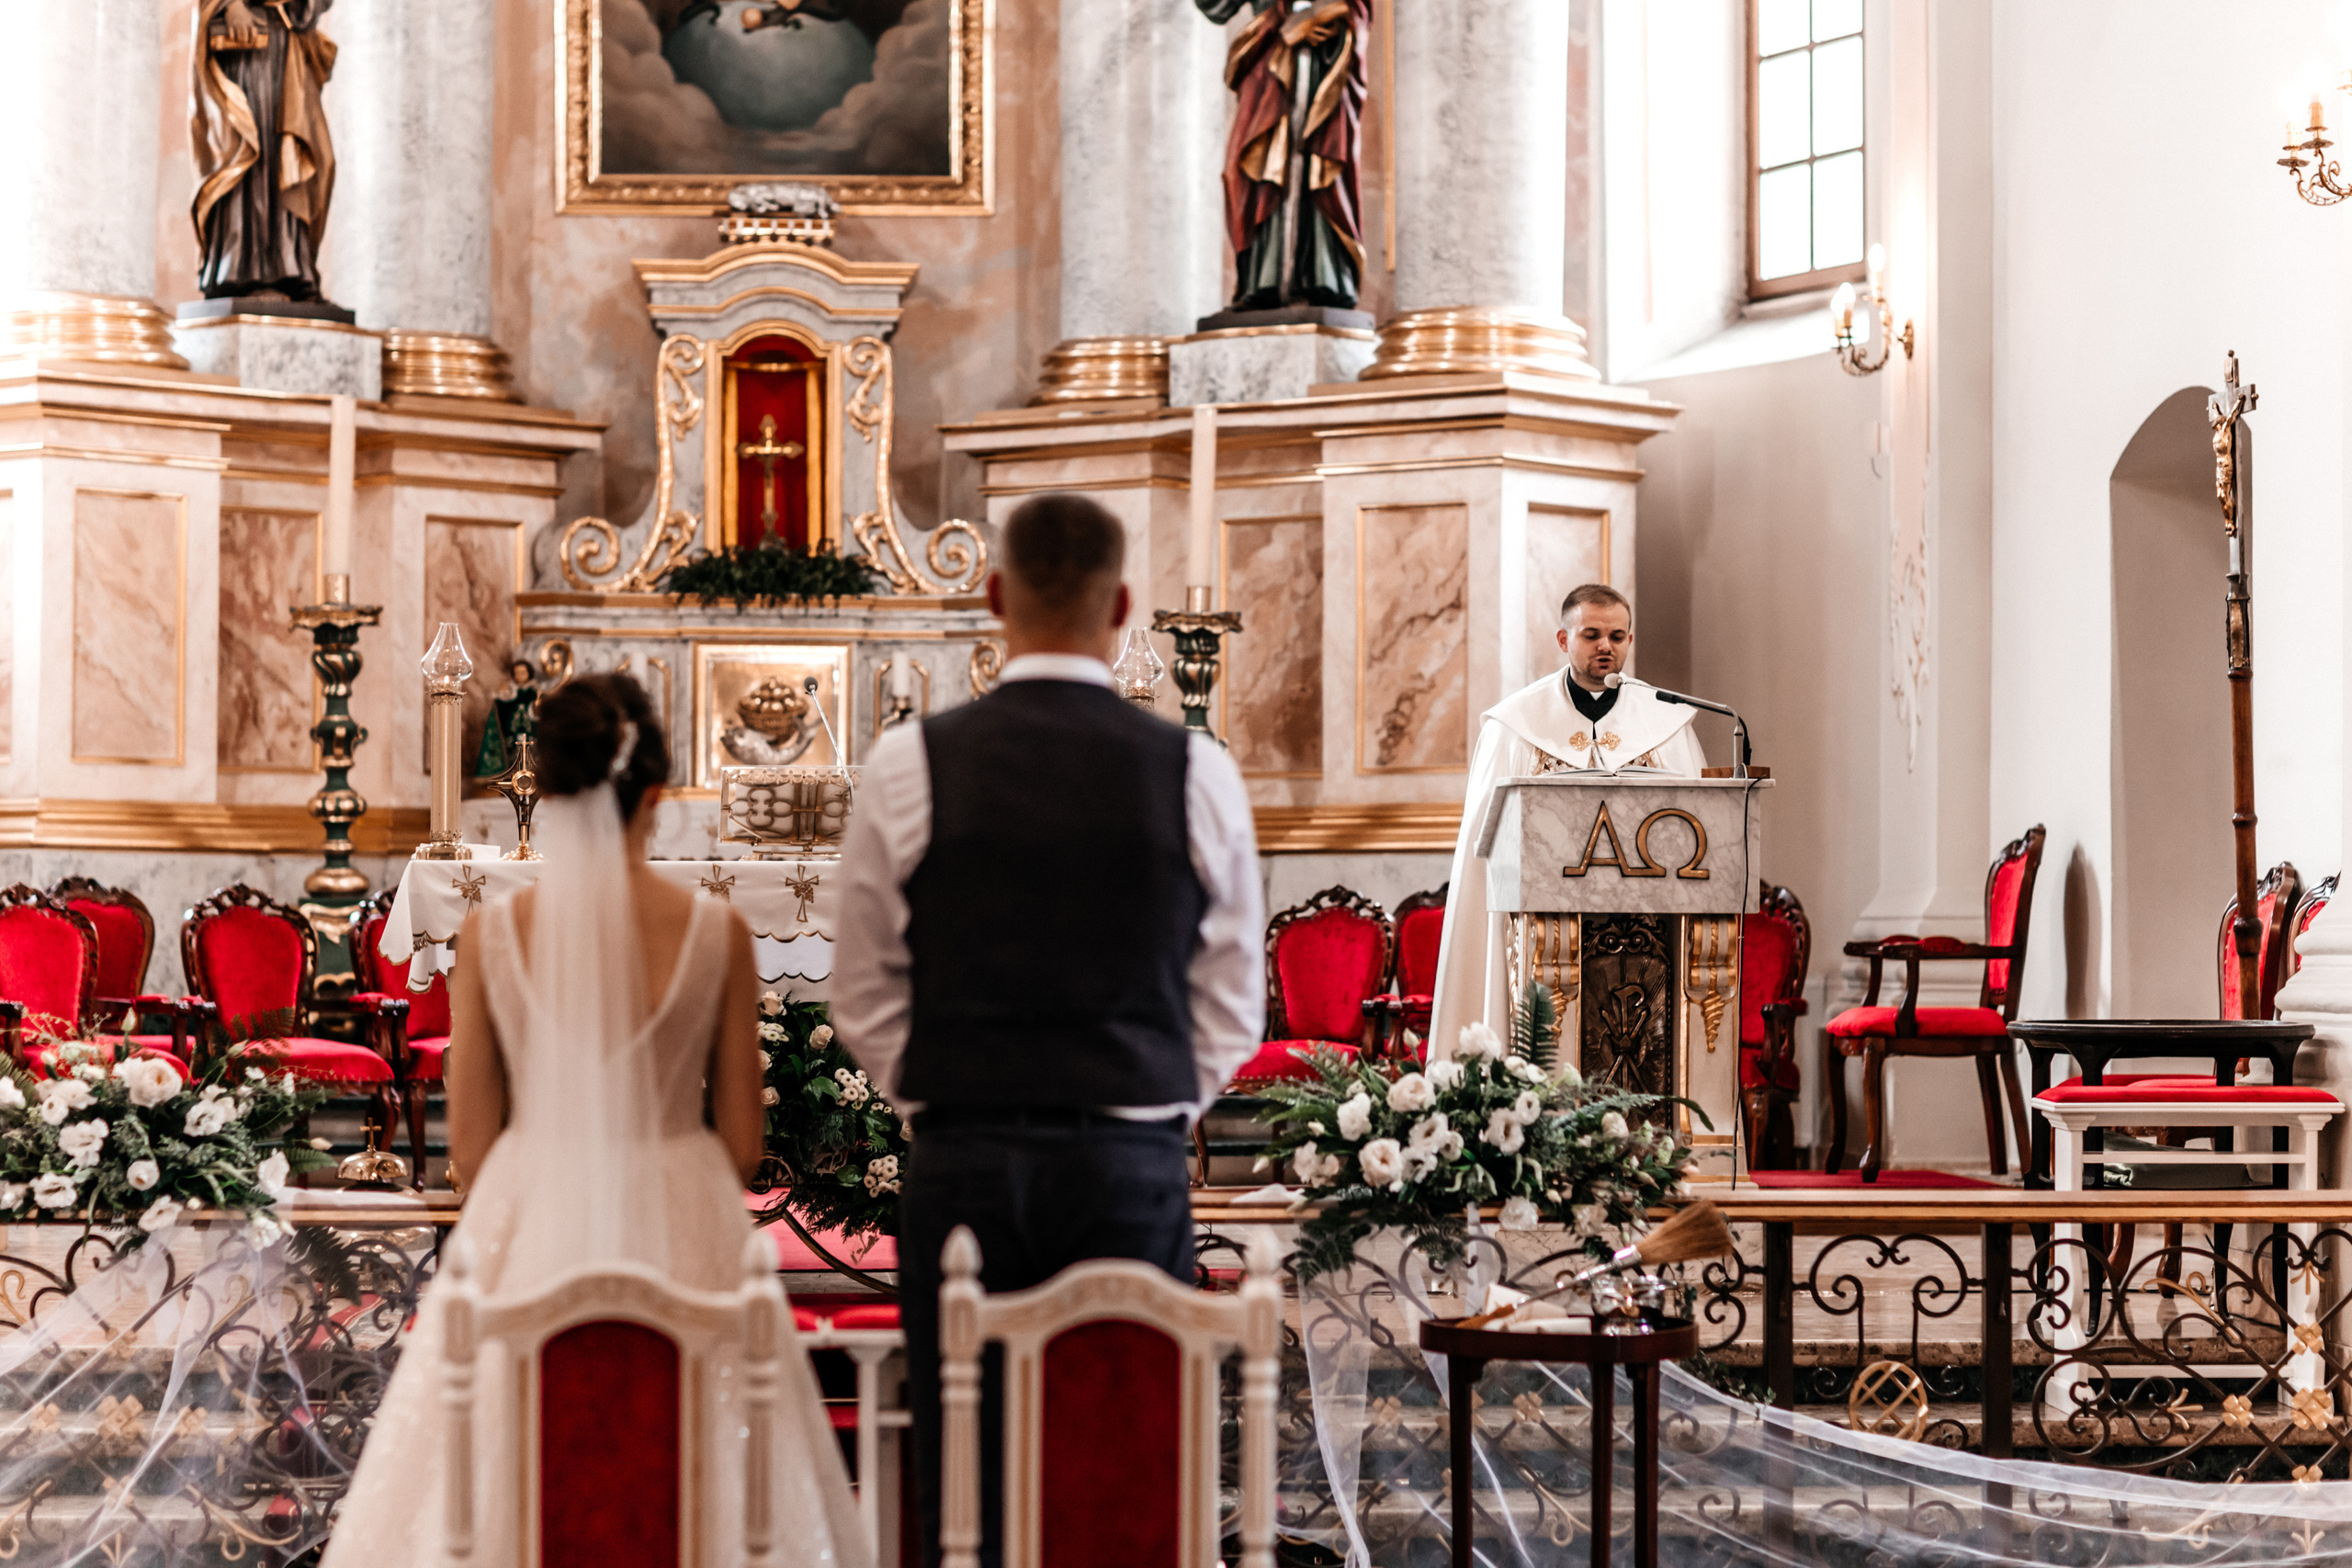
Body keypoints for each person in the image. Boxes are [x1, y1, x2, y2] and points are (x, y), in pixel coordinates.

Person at [321, 673, 865, 1568]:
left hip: (530, 1207)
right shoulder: (717, 934)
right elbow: (740, 1146)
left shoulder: (491, 937)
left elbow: (468, 1148)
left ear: (554, 791)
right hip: (684, 1207)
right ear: (654, 795)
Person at [832, 491, 1265, 1568]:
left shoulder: (908, 762)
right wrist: (1153, 1091)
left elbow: (864, 986)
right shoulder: (1195, 766)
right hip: (1132, 1155)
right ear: (1123, 605)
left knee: (963, 1465)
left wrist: (945, 1084)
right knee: (1126, 1458)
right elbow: (1230, 985)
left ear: (992, 599)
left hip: (967, 1157)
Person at [1427, 582, 1708, 1055]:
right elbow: (1486, 839)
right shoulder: (1516, 725)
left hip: (1645, 929)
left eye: (1617, 637)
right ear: (1564, 640)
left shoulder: (1664, 721)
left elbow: (1695, 819)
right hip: (1541, 923)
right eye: (1592, 634)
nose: (1605, 647)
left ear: (1629, 642)